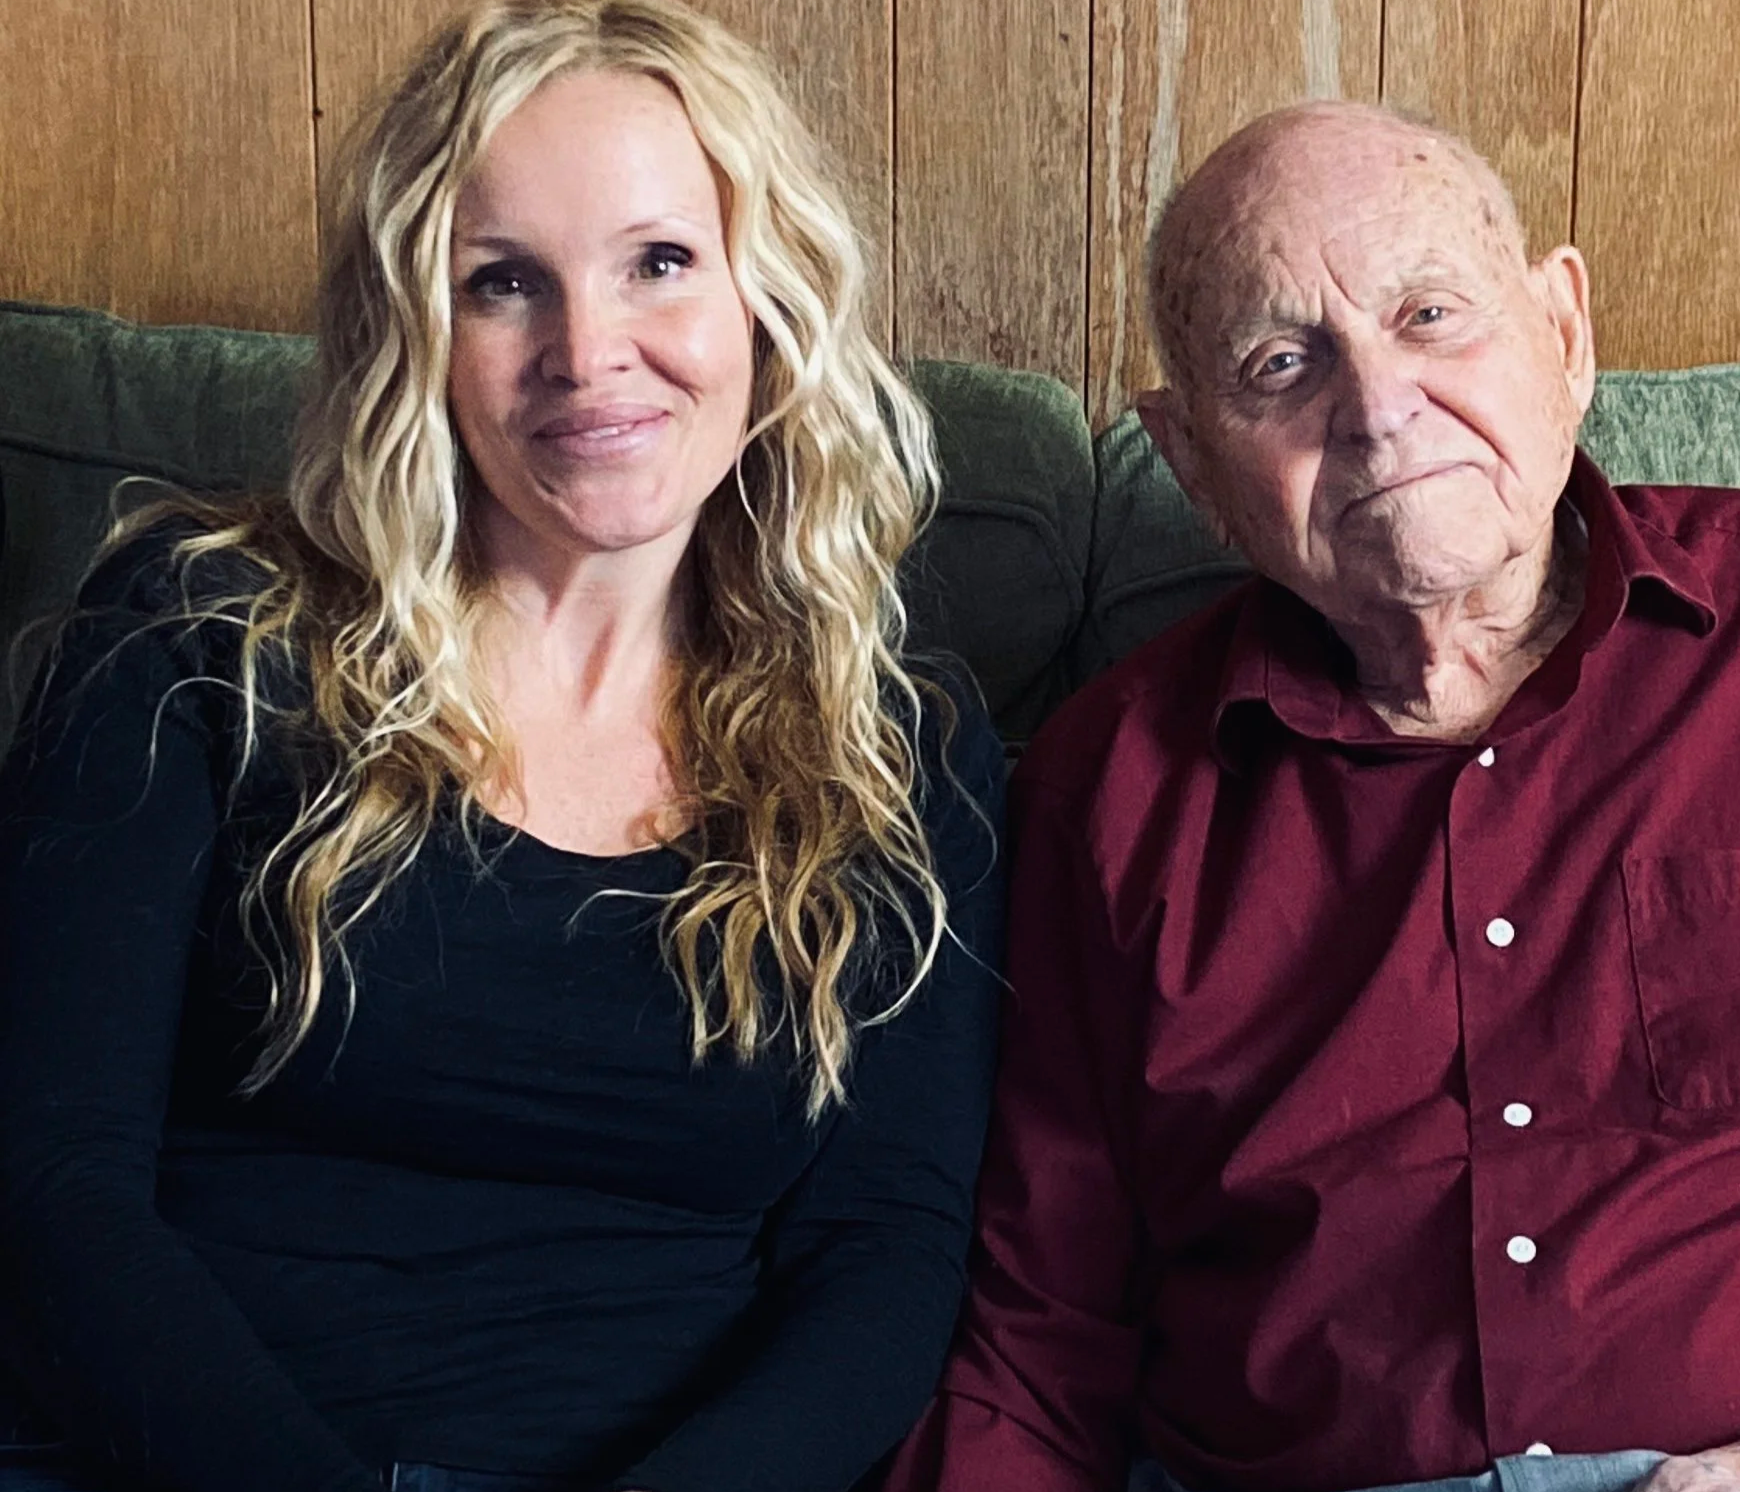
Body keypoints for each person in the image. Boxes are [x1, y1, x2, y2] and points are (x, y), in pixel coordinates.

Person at [884, 102, 1740, 1492]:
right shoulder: (1103, 792)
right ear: (1192, 465)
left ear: (1564, 334)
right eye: (1282, 363)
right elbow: (1042, 1332)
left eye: (1429, 315)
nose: (1378, 409)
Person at [0, 4, 1004, 1490]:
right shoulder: (200, 638)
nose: (589, 353)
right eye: (501, 284)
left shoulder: (898, 747)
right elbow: (49, 1184)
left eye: (659, 262)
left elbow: (887, 1251)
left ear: (765, 301)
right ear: (417, 331)